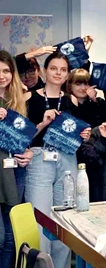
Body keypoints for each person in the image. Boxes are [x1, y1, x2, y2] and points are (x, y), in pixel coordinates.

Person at [25, 51, 91, 268]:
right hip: (39, 159)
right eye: (54, 68)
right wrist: (43, 124)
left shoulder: (71, 99)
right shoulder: (30, 98)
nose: (58, 73)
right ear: (44, 71)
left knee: (65, 217)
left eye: (63, 69)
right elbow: (23, 138)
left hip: (68, 159)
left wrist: (84, 135)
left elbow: (78, 132)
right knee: (40, 218)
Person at [0, 51, 32, 268]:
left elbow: (23, 138)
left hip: (15, 171)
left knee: (11, 237)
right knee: (1, 237)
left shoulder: (17, 100)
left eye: (6, 70)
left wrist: (28, 153)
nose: (2, 76)